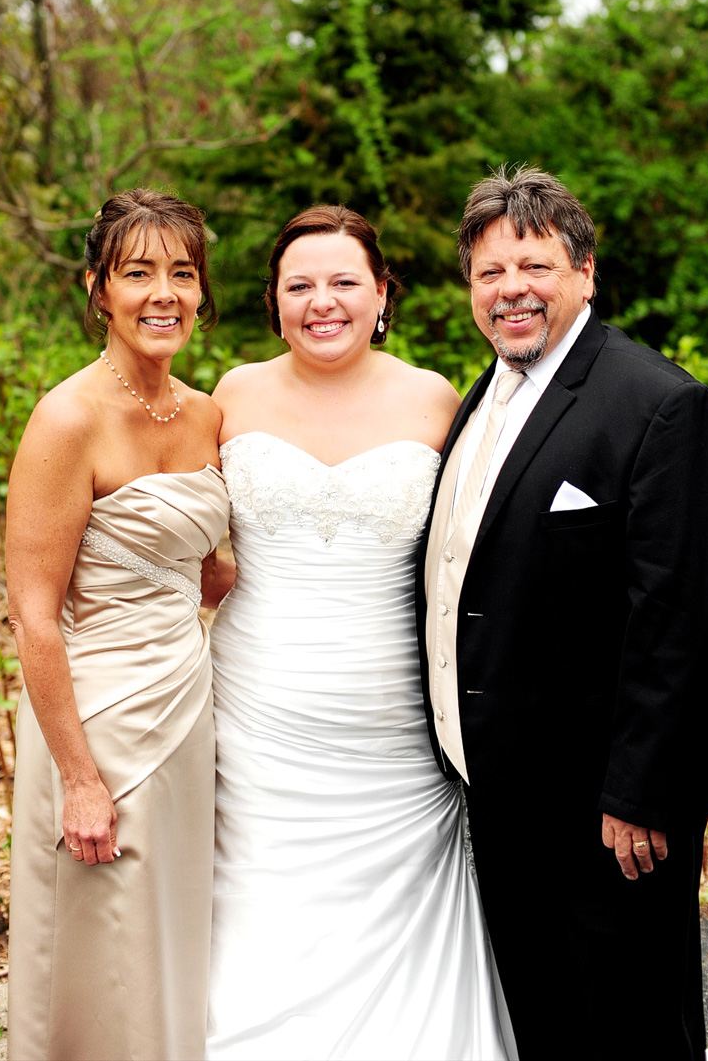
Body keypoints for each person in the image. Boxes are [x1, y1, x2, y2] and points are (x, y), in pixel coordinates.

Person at [417, 166, 708, 1061]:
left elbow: (685, 615)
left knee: (633, 1027)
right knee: (550, 1023)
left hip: (610, 806)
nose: (511, 289)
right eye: (490, 273)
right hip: (501, 790)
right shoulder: (478, 402)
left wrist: (639, 792)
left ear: (585, 273)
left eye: (534, 265)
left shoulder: (658, 403)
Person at [206, 205, 515, 1060]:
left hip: (393, 723)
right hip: (256, 711)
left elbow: (470, 557)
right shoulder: (234, 393)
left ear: (383, 294)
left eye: (345, 282)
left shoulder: (436, 397)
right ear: (273, 301)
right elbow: (182, 536)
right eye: (299, 285)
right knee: (257, 903)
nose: (322, 302)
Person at [5, 189, 232, 1060]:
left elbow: (208, 568)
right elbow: (33, 614)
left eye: (182, 272)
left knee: (169, 937)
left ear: (203, 292)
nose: (163, 293)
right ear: (100, 287)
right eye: (139, 272)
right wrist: (79, 777)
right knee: (101, 950)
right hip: (94, 722)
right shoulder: (67, 418)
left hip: (184, 705)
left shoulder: (209, 413)